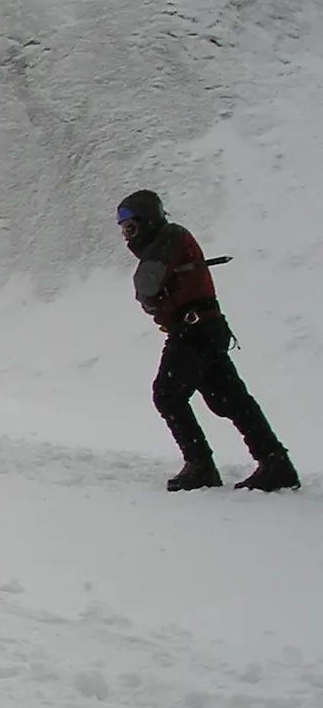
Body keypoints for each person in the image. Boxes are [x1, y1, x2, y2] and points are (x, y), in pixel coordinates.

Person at [118, 190, 298, 492]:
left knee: (167, 394)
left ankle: (200, 465)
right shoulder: (170, 239)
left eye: (130, 227)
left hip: (194, 330)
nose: (126, 235)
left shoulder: (170, 236)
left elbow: (146, 285)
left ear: (147, 220)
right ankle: (275, 461)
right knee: (230, 398)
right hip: (205, 328)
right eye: (123, 229)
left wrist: (154, 301)